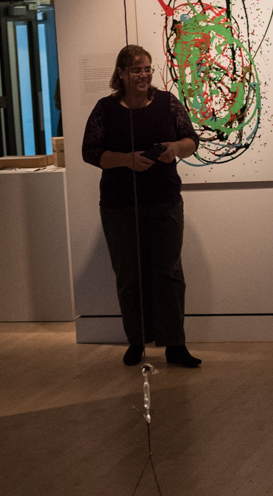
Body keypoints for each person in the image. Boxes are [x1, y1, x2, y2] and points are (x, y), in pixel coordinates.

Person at [82, 44, 202, 368]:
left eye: (147, 69)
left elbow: (191, 140)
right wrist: (127, 160)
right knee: (129, 275)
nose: (144, 75)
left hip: (164, 202)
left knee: (169, 273)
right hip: (120, 206)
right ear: (121, 73)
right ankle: (137, 341)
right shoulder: (106, 109)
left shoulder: (167, 102)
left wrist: (173, 148)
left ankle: (175, 344)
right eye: (136, 70)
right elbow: (90, 152)